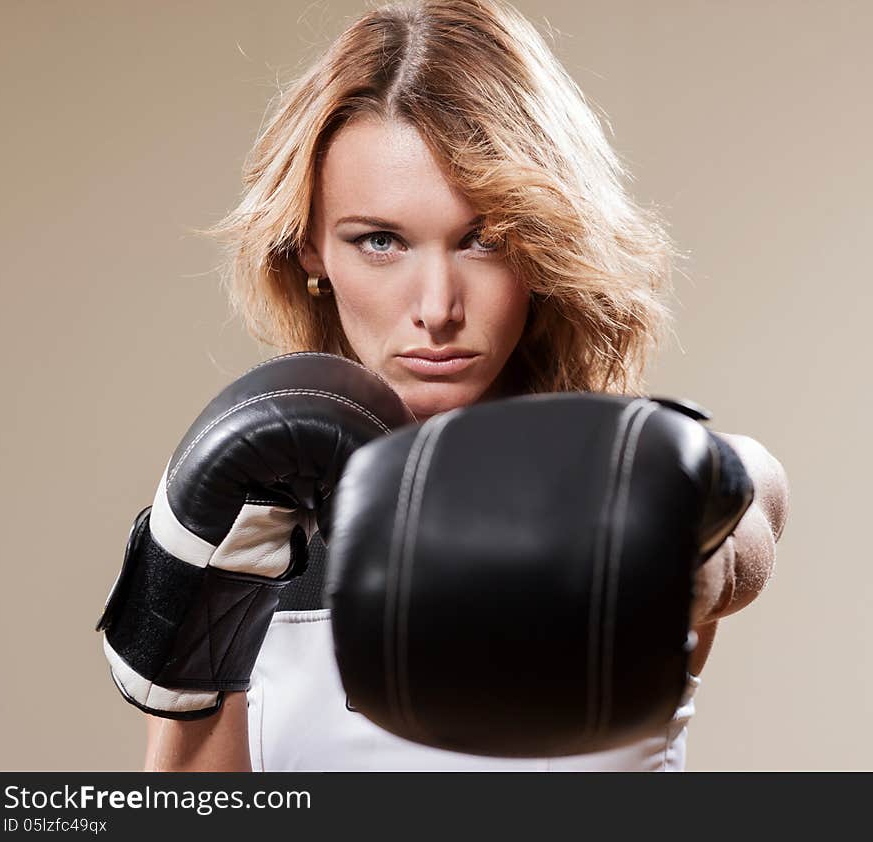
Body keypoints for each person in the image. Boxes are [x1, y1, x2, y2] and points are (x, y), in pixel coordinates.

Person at [141, 0, 789, 771]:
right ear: (310, 248)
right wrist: (190, 641)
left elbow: (749, 502)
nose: (437, 309)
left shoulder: (626, 480)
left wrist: (680, 530)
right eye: (380, 241)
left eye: (484, 239)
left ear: (544, 243)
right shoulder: (245, 504)